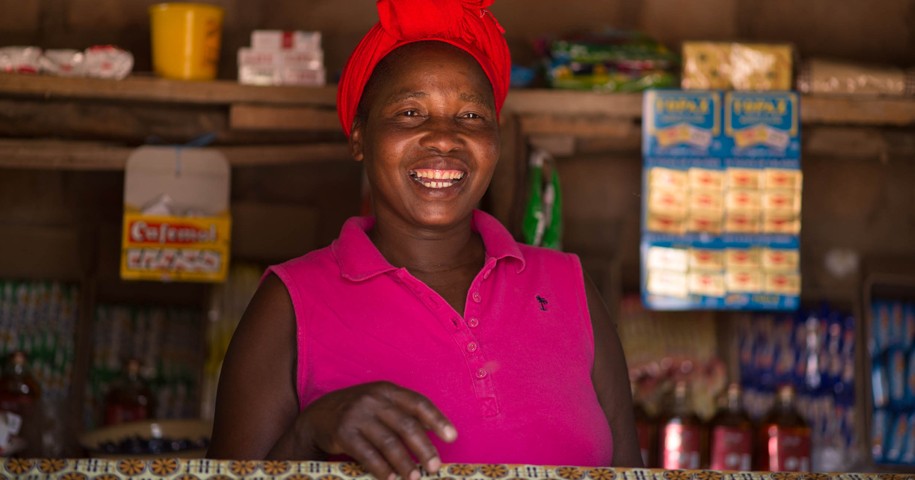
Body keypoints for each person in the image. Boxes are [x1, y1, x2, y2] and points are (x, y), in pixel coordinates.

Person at [207, 0, 642, 477]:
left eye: (471, 117)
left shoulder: (568, 286)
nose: (443, 138)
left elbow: (629, 472)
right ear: (359, 137)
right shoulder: (289, 303)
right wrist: (307, 435)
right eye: (411, 112)